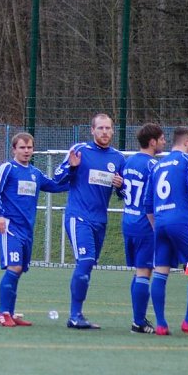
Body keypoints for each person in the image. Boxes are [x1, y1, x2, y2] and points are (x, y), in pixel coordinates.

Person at [0, 132, 68, 327]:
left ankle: (11, 312)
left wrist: (72, 170)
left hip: (27, 230)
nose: (26, 151)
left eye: (29, 147)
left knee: (19, 270)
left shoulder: (35, 173)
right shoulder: (7, 168)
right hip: (10, 226)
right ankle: (3, 313)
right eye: (22, 147)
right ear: (14, 149)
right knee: (13, 267)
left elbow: (56, 186)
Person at [53, 113, 125, 329]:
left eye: (108, 128)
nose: (104, 132)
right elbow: (58, 178)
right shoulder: (80, 151)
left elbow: (123, 195)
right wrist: (72, 167)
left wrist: (121, 186)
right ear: (92, 130)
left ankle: (78, 315)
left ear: (113, 131)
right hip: (78, 217)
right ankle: (75, 316)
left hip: (100, 220)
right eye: (100, 128)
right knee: (84, 262)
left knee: (89, 265)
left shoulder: (118, 158)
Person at [146, 126, 188, 337]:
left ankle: (161, 324)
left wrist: (158, 226)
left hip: (162, 223)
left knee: (160, 272)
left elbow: (148, 204)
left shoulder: (157, 166)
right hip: (182, 221)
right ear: (187, 140)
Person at [121, 123, 165, 334]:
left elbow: (121, 189)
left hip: (128, 222)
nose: (164, 142)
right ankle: (138, 322)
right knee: (144, 272)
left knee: (140, 272)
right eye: (162, 139)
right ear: (153, 142)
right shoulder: (152, 166)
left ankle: (138, 318)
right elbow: (154, 198)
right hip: (145, 225)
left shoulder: (129, 162)